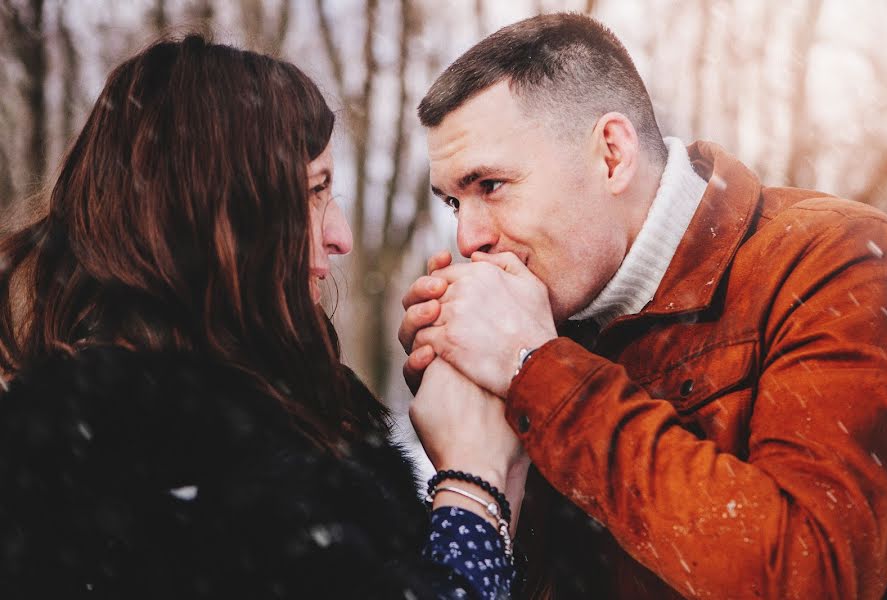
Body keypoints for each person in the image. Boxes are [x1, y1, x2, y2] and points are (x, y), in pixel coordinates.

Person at [0, 34, 523, 599]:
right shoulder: (141, 456)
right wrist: (472, 483)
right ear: (218, 221)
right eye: (313, 192)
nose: (340, 236)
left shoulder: (252, 418)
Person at [400, 12, 887, 599]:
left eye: (490, 186)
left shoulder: (836, 260)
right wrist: (486, 456)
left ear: (612, 155)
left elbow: (809, 576)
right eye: (454, 203)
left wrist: (536, 367)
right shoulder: (552, 309)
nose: (468, 240)